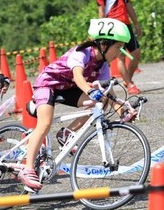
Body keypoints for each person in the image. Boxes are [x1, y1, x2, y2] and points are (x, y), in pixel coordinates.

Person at [18, 17, 136, 192]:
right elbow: (78, 77)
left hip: (67, 89)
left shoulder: (103, 64)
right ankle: (27, 170)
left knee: (102, 100)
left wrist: (123, 112)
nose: (119, 53)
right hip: (47, 85)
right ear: (104, 44)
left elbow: (110, 94)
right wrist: (90, 91)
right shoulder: (82, 53)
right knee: (44, 123)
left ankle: (67, 133)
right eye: (118, 47)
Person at [96, 0, 141, 94]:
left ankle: (128, 81)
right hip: (114, 26)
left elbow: (128, 6)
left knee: (136, 53)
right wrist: (103, 30)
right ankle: (130, 84)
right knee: (121, 56)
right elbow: (101, 11)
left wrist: (136, 23)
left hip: (126, 25)